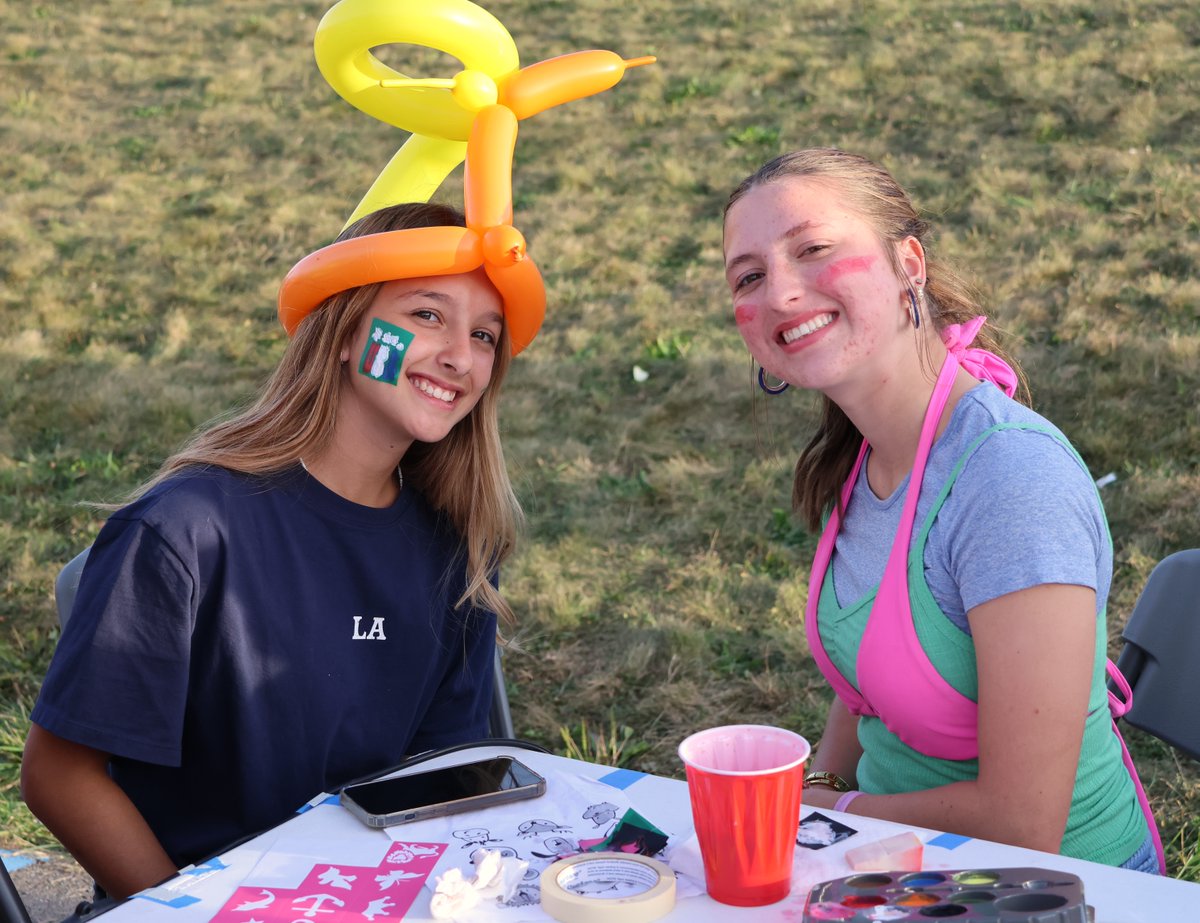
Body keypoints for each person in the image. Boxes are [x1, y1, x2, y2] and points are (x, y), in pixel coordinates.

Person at [21, 201, 525, 898]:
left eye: (486, 334)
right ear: (347, 330)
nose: (459, 356)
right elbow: (58, 773)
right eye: (426, 315)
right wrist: (187, 910)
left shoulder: (459, 552)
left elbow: (440, 777)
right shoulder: (188, 530)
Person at [722, 148, 1161, 873]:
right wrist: (816, 789)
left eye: (813, 250)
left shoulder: (1011, 481)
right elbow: (871, 680)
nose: (782, 294)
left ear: (909, 265)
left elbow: (1022, 825)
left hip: (1055, 892)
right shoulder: (860, 459)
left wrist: (829, 816)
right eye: (750, 277)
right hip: (896, 870)